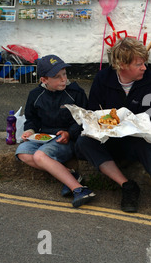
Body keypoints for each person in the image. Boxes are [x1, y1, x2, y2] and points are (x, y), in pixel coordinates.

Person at [75, 37, 151, 225]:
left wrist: (131, 125)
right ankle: (127, 186)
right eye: (139, 64)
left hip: (136, 139)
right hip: (109, 139)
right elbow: (94, 112)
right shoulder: (103, 79)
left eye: (144, 63)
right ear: (121, 64)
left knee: (147, 142)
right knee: (83, 142)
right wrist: (107, 125)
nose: (144, 67)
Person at [16, 55, 95, 208]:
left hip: (67, 140)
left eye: (64, 74)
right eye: (57, 77)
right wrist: (29, 131)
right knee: (22, 152)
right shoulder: (35, 95)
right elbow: (31, 118)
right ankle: (70, 175)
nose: (63, 79)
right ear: (44, 80)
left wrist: (69, 133)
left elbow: (84, 119)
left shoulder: (75, 93)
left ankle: (79, 190)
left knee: (40, 156)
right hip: (44, 138)